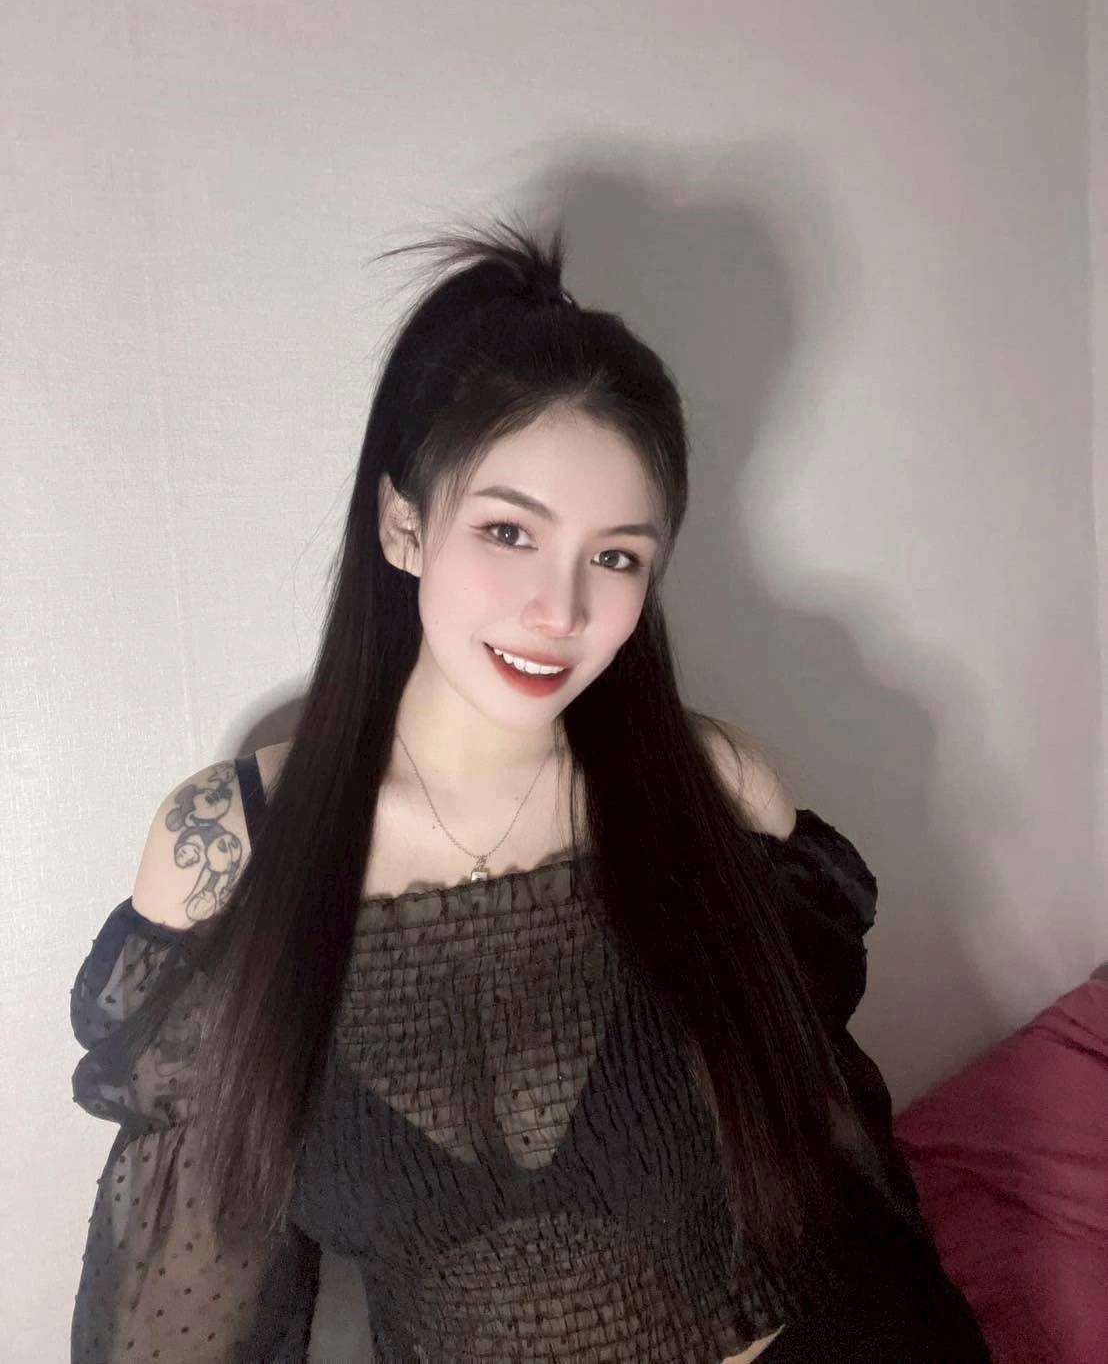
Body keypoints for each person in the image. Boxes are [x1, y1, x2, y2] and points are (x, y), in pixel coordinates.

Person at [69, 218, 992, 1362]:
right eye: (509, 531)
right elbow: (173, 1311)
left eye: (615, 556)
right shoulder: (229, 852)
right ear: (404, 526)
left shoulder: (716, 795)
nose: (559, 610)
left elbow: (842, 1187)